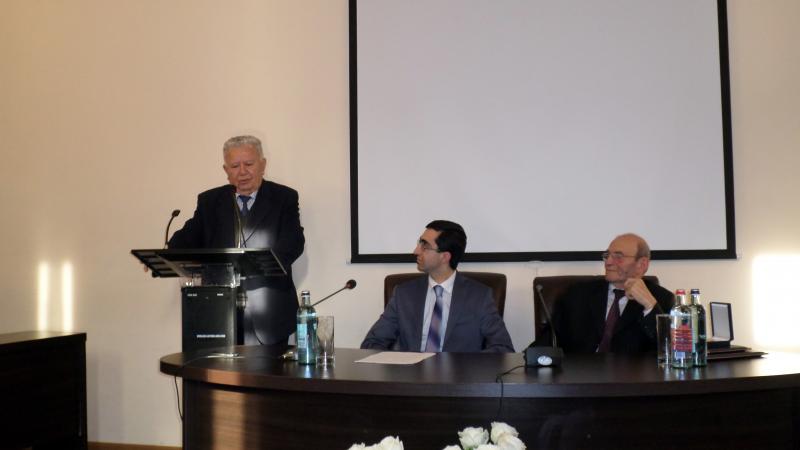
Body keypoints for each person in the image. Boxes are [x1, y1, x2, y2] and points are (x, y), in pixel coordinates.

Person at [168, 135, 305, 345]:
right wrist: (165, 255)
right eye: (234, 166)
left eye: (249, 164)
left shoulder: (284, 198)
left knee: (270, 368)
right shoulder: (210, 202)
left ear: (263, 165)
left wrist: (255, 265)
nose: (242, 172)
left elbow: (293, 244)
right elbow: (183, 241)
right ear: (226, 170)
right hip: (219, 312)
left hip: (269, 312)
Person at [361, 220, 514, 353]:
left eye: (425, 246)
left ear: (445, 257)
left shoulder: (479, 296)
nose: (416, 251)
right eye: (419, 243)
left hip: (459, 376)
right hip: (411, 375)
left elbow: (503, 348)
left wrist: (466, 366)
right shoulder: (404, 294)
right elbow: (372, 344)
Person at [538, 233, 673, 354]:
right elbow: (548, 341)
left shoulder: (661, 299)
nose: (608, 262)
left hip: (631, 374)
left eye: (618, 257)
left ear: (641, 264)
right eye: (607, 256)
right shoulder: (577, 294)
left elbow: (669, 349)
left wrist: (649, 305)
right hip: (582, 371)